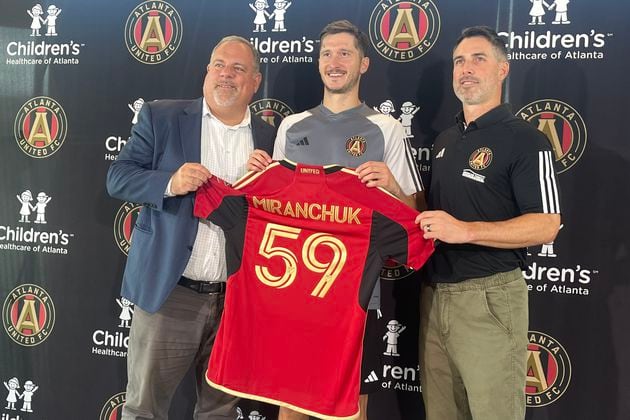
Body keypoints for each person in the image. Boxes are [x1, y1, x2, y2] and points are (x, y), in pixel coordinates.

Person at [247, 20, 424, 420]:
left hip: (355, 295)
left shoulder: (387, 128)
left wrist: (395, 187)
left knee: (349, 409)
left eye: (345, 53)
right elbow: (273, 208)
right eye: (327, 53)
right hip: (294, 290)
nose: (334, 61)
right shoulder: (291, 127)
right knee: (291, 405)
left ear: (364, 64)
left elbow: (413, 216)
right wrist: (257, 177)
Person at [106, 36, 276, 419]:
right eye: (218, 65)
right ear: (206, 72)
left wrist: (269, 186)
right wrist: (169, 182)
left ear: (255, 81)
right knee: (144, 408)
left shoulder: (271, 136)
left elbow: (280, 217)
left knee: (219, 411)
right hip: (171, 293)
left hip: (236, 299)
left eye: (238, 69)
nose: (226, 75)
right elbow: (117, 177)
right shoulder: (162, 116)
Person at [416, 26, 561, 420]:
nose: (466, 69)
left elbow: (547, 225)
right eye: (459, 61)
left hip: (490, 297)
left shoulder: (527, 140)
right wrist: (396, 189)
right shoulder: (445, 140)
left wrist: (467, 231)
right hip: (435, 296)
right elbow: (434, 215)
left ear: (502, 69)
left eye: (479, 59)